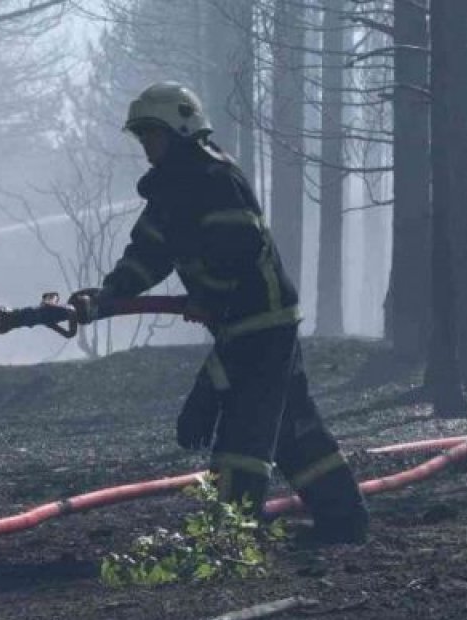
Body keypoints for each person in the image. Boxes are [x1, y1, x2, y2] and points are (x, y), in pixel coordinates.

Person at [69, 82, 368, 544]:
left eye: (152, 134)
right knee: (291, 427)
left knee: (240, 430)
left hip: (259, 322)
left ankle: (230, 538)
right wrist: (111, 293)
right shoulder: (172, 190)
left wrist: (212, 299)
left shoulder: (214, 179)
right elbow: (146, 253)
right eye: (142, 136)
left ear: (182, 128)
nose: (146, 145)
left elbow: (239, 249)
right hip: (245, 322)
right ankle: (345, 520)